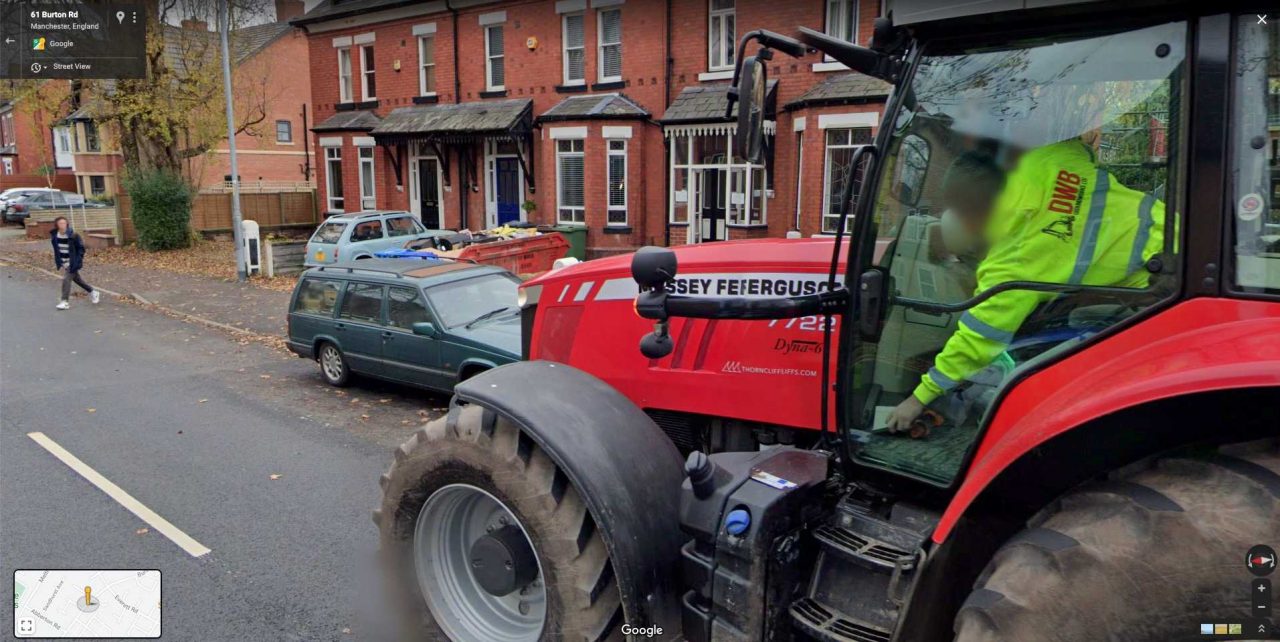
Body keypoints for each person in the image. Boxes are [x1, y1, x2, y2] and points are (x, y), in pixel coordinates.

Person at [885, 139, 1164, 431]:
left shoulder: (1012, 263)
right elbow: (1081, 150)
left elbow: (977, 338)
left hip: (1157, 285)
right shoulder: (1042, 160)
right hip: (1173, 236)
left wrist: (918, 399)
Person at [51, 216, 100, 310]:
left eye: (64, 223)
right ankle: (93, 292)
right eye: (60, 223)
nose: (63, 225)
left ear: (67, 224)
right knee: (77, 280)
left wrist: (78, 260)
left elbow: (81, 248)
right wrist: (59, 261)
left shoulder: (73, 235)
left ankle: (64, 302)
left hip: (73, 262)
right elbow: (57, 249)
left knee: (66, 279)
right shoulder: (55, 235)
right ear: (56, 225)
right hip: (64, 262)